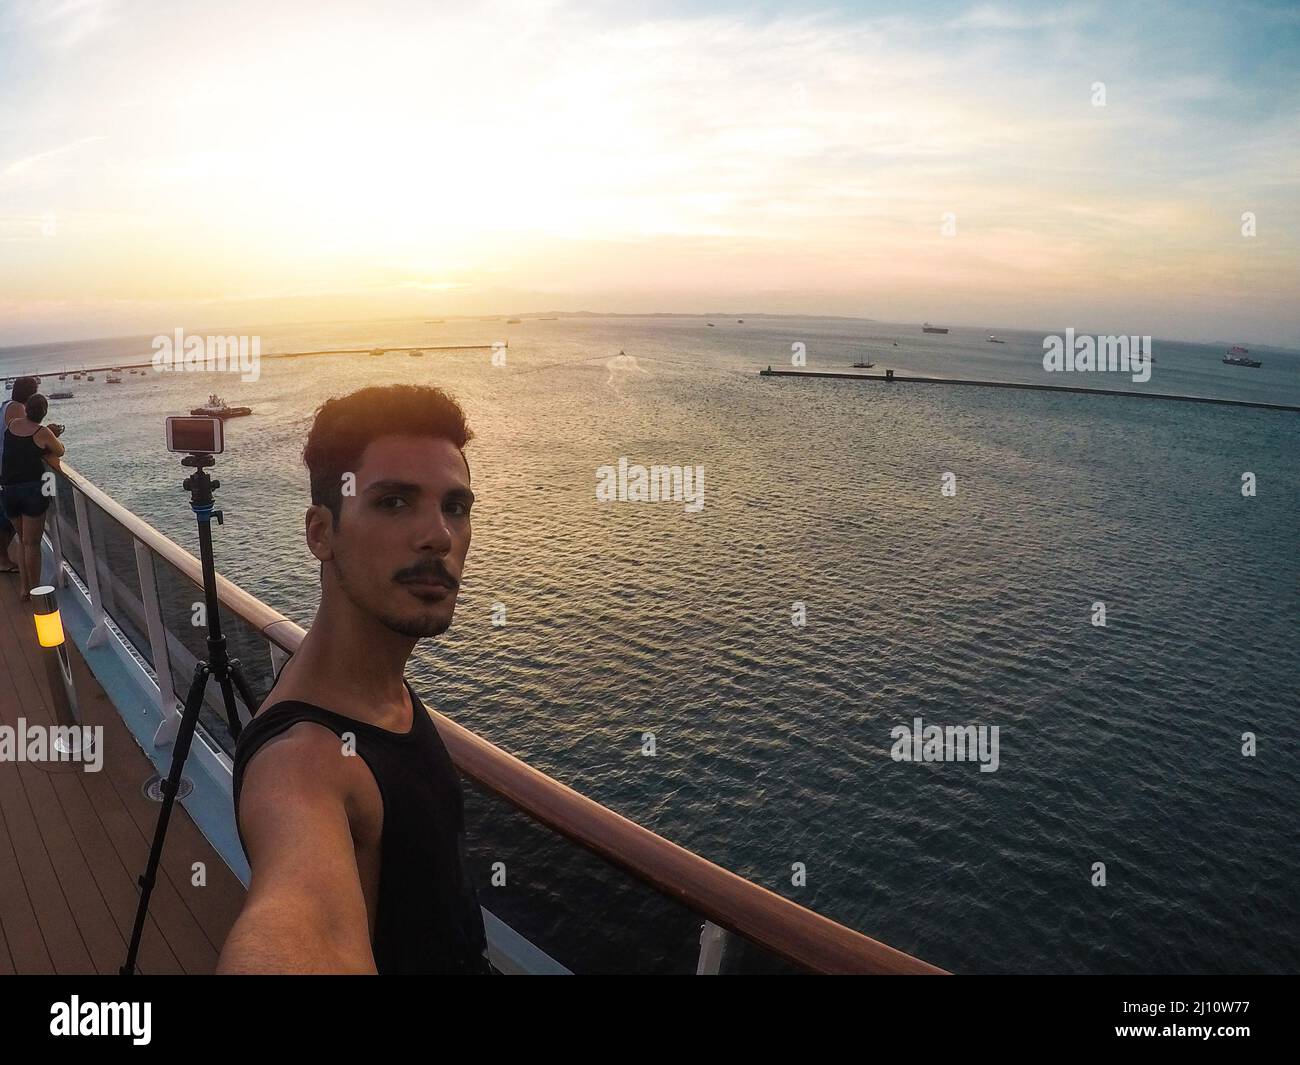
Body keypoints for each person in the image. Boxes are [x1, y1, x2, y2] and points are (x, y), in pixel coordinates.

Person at [218, 384, 489, 974]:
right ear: (321, 533)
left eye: (456, 507)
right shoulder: (303, 764)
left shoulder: (374, 692)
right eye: (394, 502)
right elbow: (294, 926)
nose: (439, 536)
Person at [0, 393, 66, 600]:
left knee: (21, 539)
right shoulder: (43, 432)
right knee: (32, 544)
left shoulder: (12, 424)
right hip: (32, 492)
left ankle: (23, 588)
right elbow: (60, 451)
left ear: (26, 409)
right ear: (44, 413)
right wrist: (52, 435)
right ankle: (35, 590)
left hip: (9, 490)